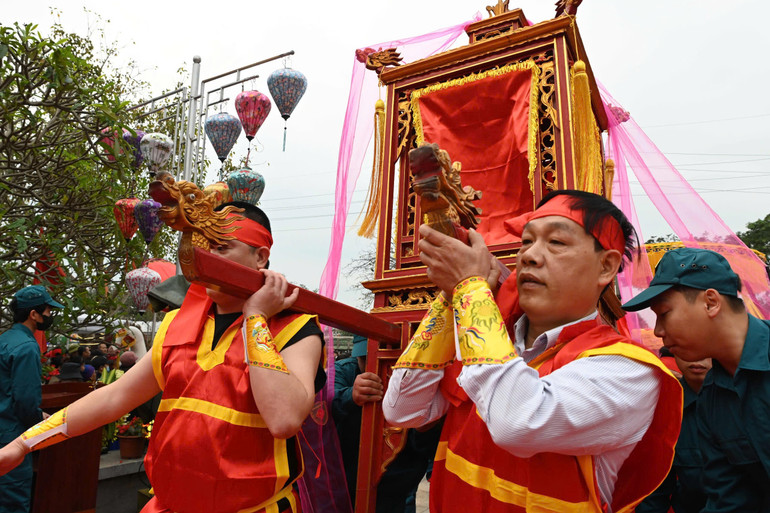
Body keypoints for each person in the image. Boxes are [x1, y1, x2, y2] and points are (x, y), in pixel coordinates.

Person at [0, 202, 325, 513]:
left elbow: (284, 419)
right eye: (203, 247)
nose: (206, 259)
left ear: (261, 256)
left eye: (222, 248)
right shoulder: (177, 324)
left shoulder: (295, 329)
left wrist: (256, 318)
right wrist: (25, 444)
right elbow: (114, 397)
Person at [383, 189, 683, 512]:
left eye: (556, 243)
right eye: (526, 242)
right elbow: (403, 408)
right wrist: (451, 297)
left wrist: (468, 287)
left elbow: (517, 422)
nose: (530, 256)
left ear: (606, 267)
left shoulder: (628, 370)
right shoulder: (491, 339)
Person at [623, 247, 770, 511]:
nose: (658, 331)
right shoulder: (711, 397)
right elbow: (730, 498)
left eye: (664, 313)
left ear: (711, 302)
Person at [333, 335, 441, 512]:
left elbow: (430, 447)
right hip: (346, 479)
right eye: (365, 359)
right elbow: (323, 409)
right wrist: (351, 396)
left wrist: (425, 427)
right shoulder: (344, 371)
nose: (373, 366)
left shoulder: (421, 379)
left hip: (399, 485)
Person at [0, 285, 64, 512]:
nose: (50, 315)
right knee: (12, 501)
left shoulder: (4, 339)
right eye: (47, 310)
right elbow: (25, 400)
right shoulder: (27, 347)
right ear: (33, 314)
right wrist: (41, 419)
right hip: (11, 434)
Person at [637, 350, 711, 513]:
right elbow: (654, 492)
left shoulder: (749, 400)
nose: (696, 356)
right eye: (685, 347)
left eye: (705, 347)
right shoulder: (663, 409)